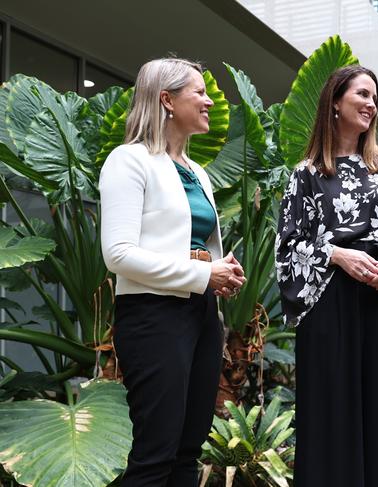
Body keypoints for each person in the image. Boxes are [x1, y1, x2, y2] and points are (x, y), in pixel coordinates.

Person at [99, 57, 246, 487]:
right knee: (155, 454)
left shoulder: (197, 172)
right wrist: (204, 274)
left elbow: (194, 245)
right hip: (152, 318)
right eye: (197, 93)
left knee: (188, 451)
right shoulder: (129, 161)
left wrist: (221, 274)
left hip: (200, 316)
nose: (208, 101)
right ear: (166, 99)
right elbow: (119, 254)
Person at [275, 65, 378, 487]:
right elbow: (286, 249)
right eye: (362, 94)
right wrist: (337, 254)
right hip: (329, 305)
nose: (371, 105)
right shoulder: (305, 175)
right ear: (335, 102)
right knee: (332, 414)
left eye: (375, 98)